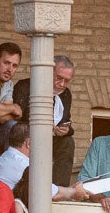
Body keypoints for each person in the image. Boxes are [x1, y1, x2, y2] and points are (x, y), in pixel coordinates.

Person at [12, 53, 77, 186]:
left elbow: (66, 121)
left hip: (50, 139)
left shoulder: (65, 94)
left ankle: (59, 188)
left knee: (68, 142)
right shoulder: (25, 86)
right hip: (27, 137)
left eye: (67, 80)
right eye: (59, 78)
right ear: (48, 72)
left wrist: (65, 130)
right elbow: (16, 119)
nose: (62, 84)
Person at [0, 123, 90, 199]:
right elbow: (51, 194)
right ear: (29, 143)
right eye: (39, 141)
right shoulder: (23, 165)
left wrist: (71, 189)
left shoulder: (5, 159)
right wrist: (74, 192)